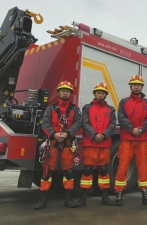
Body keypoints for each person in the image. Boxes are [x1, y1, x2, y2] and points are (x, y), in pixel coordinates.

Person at [34, 81, 82, 210]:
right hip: (53, 143)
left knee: (69, 172)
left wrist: (68, 134)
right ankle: (42, 200)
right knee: (46, 172)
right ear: (59, 92)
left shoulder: (74, 110)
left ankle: (68, 200)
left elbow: (78, 123)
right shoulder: (50, 109)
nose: (65, 92)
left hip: (67, 143)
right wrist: (53, 134)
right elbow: (45, 123)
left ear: (70, 93)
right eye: (62, 90)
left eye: (67, 91)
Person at [114, 75, 147, 206]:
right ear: (130, 86)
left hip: (142, 139)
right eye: (134, 84)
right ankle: (119, 194)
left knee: (143, 166)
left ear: (142, 87)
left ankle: (145, 193)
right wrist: (132, 129)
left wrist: (141, 129)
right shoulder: (124, 101)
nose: (136, 86)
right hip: (127, 138)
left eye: (139, 84)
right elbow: (121, 117)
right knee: (123, 166)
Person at [76, 83, 116, 207]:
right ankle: (83, 198)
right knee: (87, 170)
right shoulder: (87, 108)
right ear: (94, 93)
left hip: (104, 144)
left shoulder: (111, 109)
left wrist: (103, 135)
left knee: (104, 170)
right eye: (98, 92)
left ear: (105, 95)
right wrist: (94, 135)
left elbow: (112, 125)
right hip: (90, 143)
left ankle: (105, 197)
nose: (100, 94)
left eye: (103, 92)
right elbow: (85, 123)